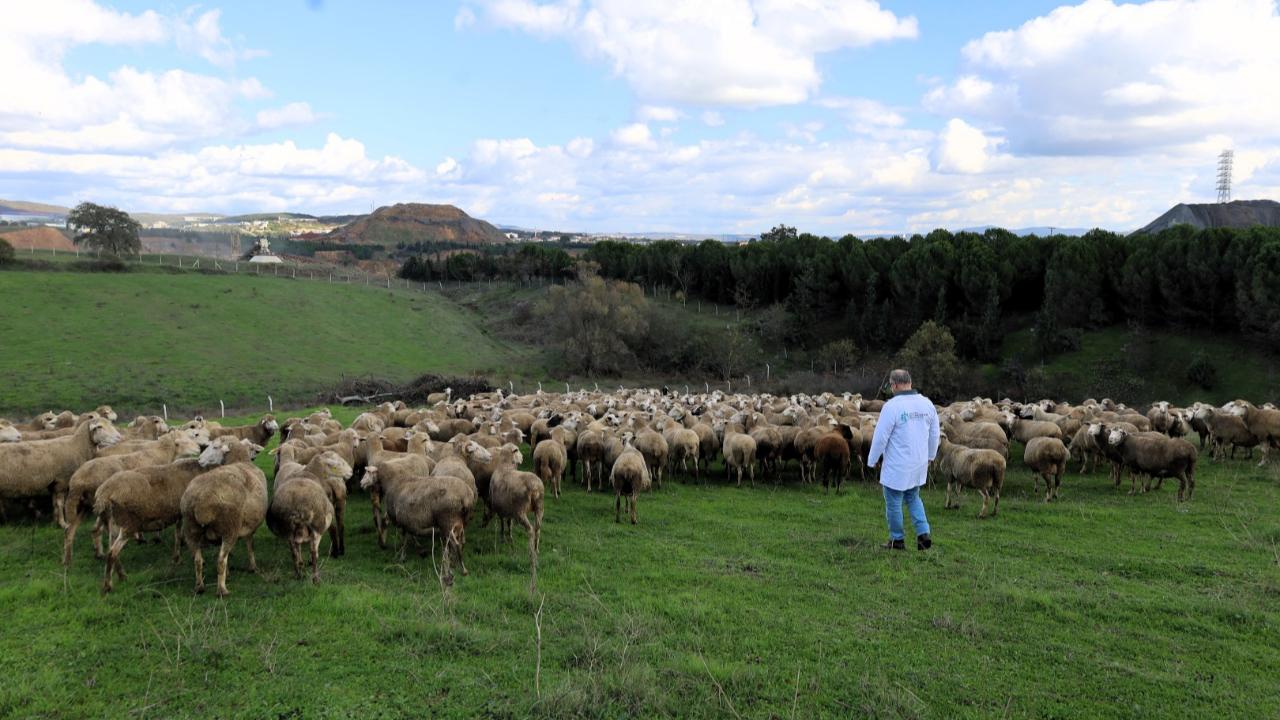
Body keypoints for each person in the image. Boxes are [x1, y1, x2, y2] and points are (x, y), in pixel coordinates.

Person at [866, 369, 938, 551]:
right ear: (910, 383)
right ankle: (923, 534)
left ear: (895, 385)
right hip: (918, 462)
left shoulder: (892, 406)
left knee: (893, 500)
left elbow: (880, 437)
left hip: (897, 464)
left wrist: (872, 459)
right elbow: (935, 433)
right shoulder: (926, 404)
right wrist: (930, 456)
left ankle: (897, 540)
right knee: (913, 497)